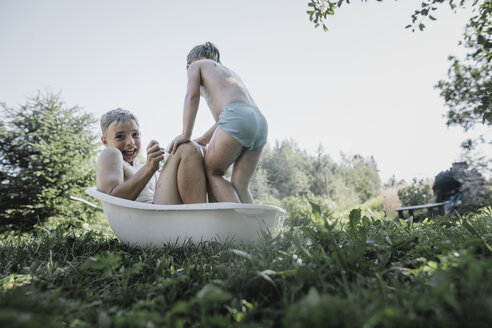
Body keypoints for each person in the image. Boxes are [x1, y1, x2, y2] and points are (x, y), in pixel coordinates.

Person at [168, 42, 268, 204]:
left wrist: (186, 134)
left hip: (236, 118)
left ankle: (237, 222)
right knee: (240, 185)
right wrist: (201, 141)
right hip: (259, 122)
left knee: (213, 172)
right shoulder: (229, 75)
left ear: (189, 64)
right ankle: (257, 228)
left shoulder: (196, 66)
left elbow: (191, 97)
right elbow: (225, 122)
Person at [97, 108, 206, 204]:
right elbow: (112, 201)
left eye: (135, 134)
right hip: (145, 217)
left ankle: (201, 214)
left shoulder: (141, 167)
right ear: (105, 141)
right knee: (186, 148)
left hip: (158, 211)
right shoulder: (111, 153)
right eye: (120, 137)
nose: (131, 142)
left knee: (193, 148)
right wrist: (149, 168)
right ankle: (199, 219)